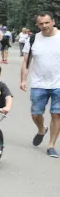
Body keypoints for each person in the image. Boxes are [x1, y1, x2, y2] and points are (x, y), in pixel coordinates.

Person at [20, 12, 60, 157]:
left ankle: (51, 145)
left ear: (53, 22)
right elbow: (26, 61)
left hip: (59, 84)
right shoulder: (33, 39)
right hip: (39, 83)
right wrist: (23, 80)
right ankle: (42, 129)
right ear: (37, 25)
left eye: (47, 23)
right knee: (36, 114)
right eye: (41, 24)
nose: (44, 26)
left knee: (57, 113)